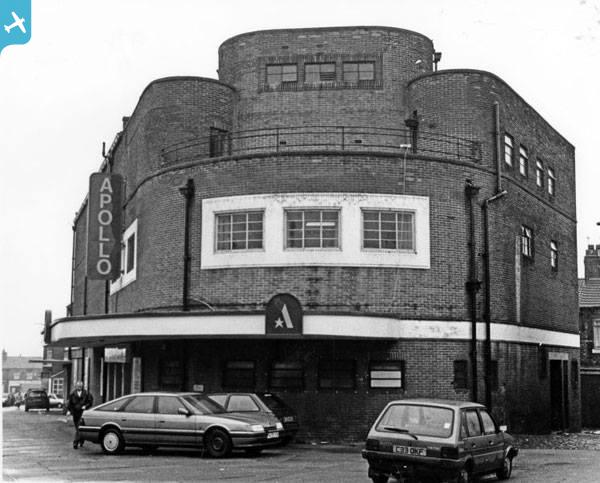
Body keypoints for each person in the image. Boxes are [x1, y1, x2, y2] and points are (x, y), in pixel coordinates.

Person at [66, 381, 93, 449]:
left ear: (82, 386)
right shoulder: (72, 394)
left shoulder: (86, 393)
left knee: (78, 428)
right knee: (78, 428)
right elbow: (69, 403)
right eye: (78, 386)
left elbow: (90, 401)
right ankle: (81, 439)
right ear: (76, 386)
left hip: (82, 413)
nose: (79, 387)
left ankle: (75, 443)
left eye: (80, 386)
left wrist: (86, 406)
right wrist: (69, 411)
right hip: (75, 413)